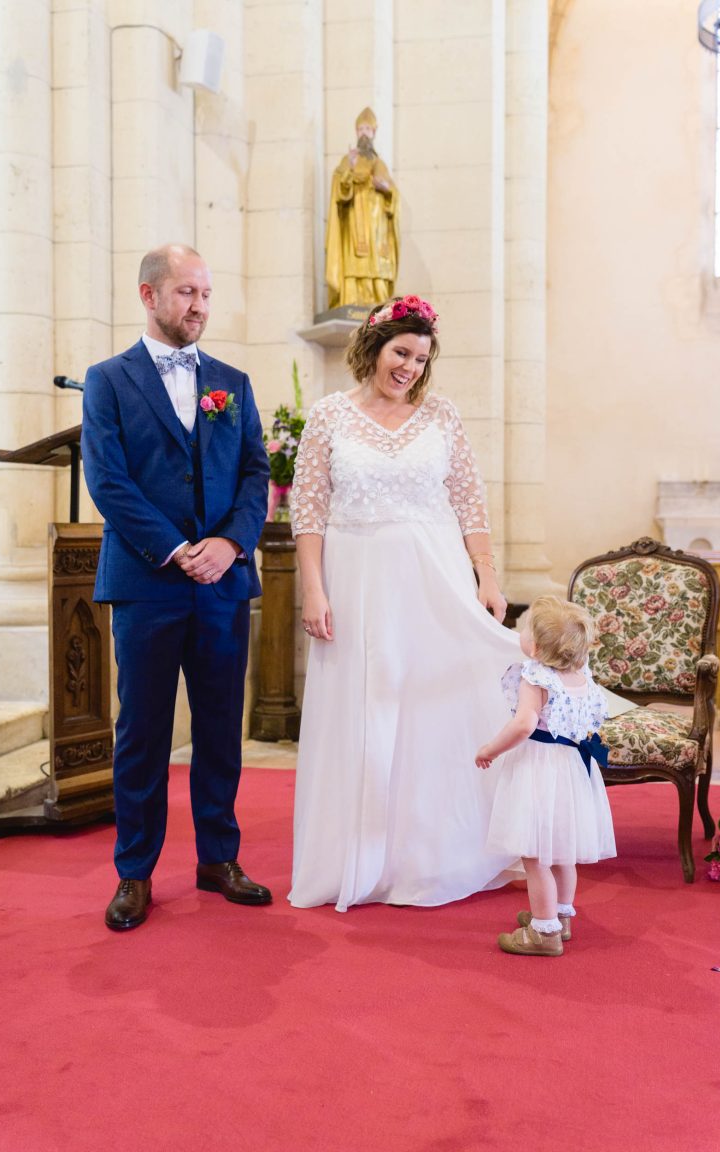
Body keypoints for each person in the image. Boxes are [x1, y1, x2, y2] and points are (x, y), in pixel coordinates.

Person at [288, 295, 524, 912]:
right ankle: (360, 856)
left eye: (421, 357)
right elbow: (307, 512)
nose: (411, 367)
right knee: (364, 705)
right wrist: (313, 589)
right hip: (356, 578)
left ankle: (436, 854)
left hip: (432, 577)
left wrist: (488, 578)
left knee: (431, 708)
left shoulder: (441, 416)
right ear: (373, 347)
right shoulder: (329, 416)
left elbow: (470, 503)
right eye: (402, 353)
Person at [81, 243, 271, 931]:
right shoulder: (107, 380)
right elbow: (107, 480)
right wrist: (174, 547)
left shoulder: (233, 382)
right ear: (148, 295)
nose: (199, 306)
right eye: (187, 292)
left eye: (206, 294)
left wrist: (228, 544)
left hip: (222, 581)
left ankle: (218, 858)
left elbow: (255, 474)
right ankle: (135, 872)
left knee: (222, 728)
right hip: (148, 582)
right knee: (143, 733)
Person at [475, 596, 616, 957]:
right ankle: (560, 917)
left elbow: (523, 724)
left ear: (535, 646)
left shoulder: (533, 675)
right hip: (572, 769)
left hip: (539, 769)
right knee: (563, 853)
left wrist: (491, 749)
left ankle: (543, 932)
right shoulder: (582, 675)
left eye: (526, 629)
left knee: (535, 856)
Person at [325, 106, 399, 309]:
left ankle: (378, 304)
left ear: (374, 133)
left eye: (368, 129)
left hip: (377, 228)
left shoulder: (379, 163)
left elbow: (393, 193)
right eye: (361, 129)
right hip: (354, 223)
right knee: (354, 260)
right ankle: (350, 299)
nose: (364, 132)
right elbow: (339, 191)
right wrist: (348, 168)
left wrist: (385, 189)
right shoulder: (348, 161)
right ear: (356, 132)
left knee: (375, 266)